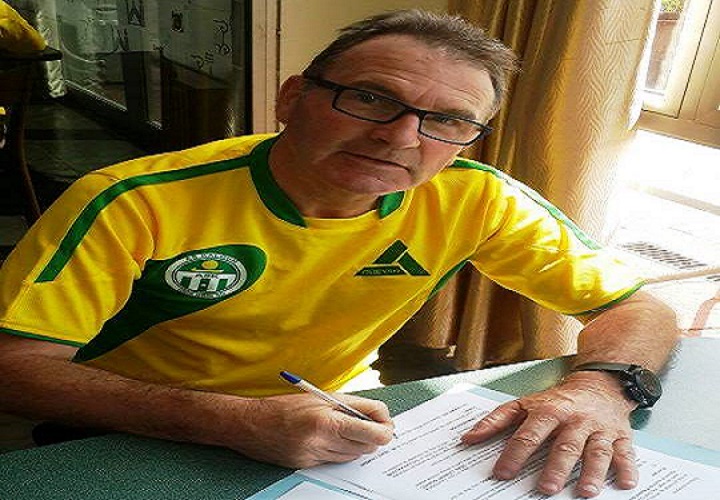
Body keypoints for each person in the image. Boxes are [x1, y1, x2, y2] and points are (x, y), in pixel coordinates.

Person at [0, 9, 678, 498]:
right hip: (134, 432)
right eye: (371, 99)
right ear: (293, 97)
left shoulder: (477, 197)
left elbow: (638, 309)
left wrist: (600, 389)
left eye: (446, 120)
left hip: (345, 420)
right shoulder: (133, 200)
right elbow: (16, 370)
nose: (401, 138)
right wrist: (232, 420)